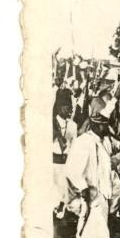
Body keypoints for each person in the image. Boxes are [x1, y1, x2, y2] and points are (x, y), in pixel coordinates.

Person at [64, 100, 117, 238]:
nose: (105, 129)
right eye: (102, 125)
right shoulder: (83, 141)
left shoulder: (103, 142)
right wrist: (83, 188)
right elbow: (72, 169)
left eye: (106, 125)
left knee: (93, 227)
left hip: (103, 192)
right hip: (92, 192)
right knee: (101, 228)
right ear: (93, 124)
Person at [53, 88, 77, 218]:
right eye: (68, 107)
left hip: (66, 164)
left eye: (72, 107)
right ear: (61, 107)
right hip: (52, 164)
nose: (71, 109)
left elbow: (74, 146)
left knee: (65, 193)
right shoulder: (51, 122)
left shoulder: (73, 125)